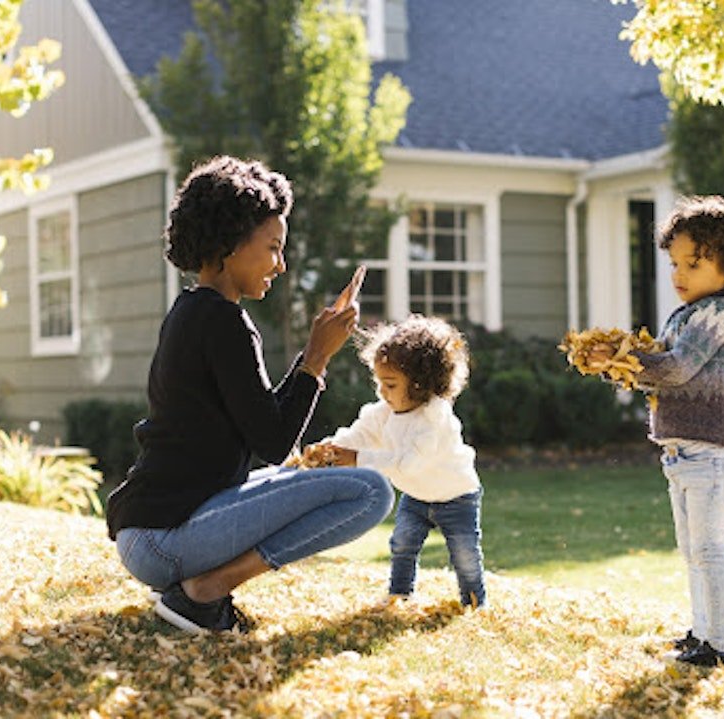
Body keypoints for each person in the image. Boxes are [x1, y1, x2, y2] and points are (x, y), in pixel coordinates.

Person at [105, 155, 394, 634]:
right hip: (165, 538)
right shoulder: (224, 322)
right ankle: (206, 592)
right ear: (230, 243)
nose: (280, 265)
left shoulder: (193, 311)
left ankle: (197, 589)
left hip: (154, 531)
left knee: (322, 476)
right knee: (371, 491)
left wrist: (310, 358)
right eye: (273, 248)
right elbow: (275, 442)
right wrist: (316, 358)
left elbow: (260, 426)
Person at [633, 195, 724, 666]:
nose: (679, 274)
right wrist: (622, 365)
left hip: (711, 454)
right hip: (682, 452)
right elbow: (661, 369)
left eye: (693, 263)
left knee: (710, 550)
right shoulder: (687, 314)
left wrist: (629, 362)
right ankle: (700, 632)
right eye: (675, 263)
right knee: (693, 550)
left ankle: (721, 644)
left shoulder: (720, 313)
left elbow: (675, 369)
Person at [301, 315, 485, 608]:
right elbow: (359, 435)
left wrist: (357, 459)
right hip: (416, 496)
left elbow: (407, 463)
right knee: (402, 545)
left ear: (420, 385)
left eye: (390, 384)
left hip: (456, 496)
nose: (381, 392)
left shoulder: (434, 420)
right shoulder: (383, 411)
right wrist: (334, 448)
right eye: (379, 382)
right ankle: (400, 594)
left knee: (464, 554)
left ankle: (474, 602)